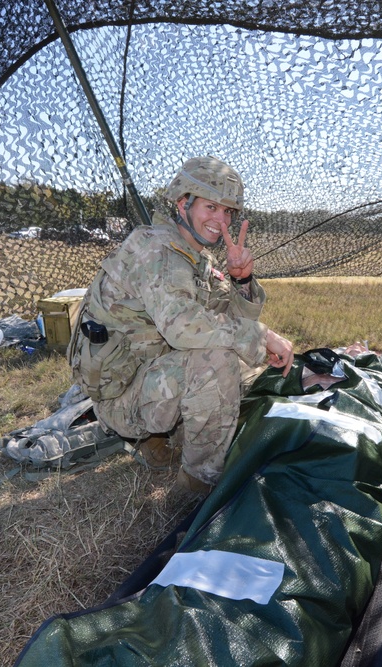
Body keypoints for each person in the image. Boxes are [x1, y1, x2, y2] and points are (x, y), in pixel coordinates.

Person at [68, 156, 294, 495]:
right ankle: (196, 486)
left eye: (228, 211)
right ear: (182, 203)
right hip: (120, 396)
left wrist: (242, 280)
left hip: (146, 376)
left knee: (239, 364)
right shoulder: (156, 248)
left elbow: (233, 320)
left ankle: (161, 440)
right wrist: (263, 337)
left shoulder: (195, 257)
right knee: (217, 363)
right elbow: (183, 327)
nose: (221, 220)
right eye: (211, 207)